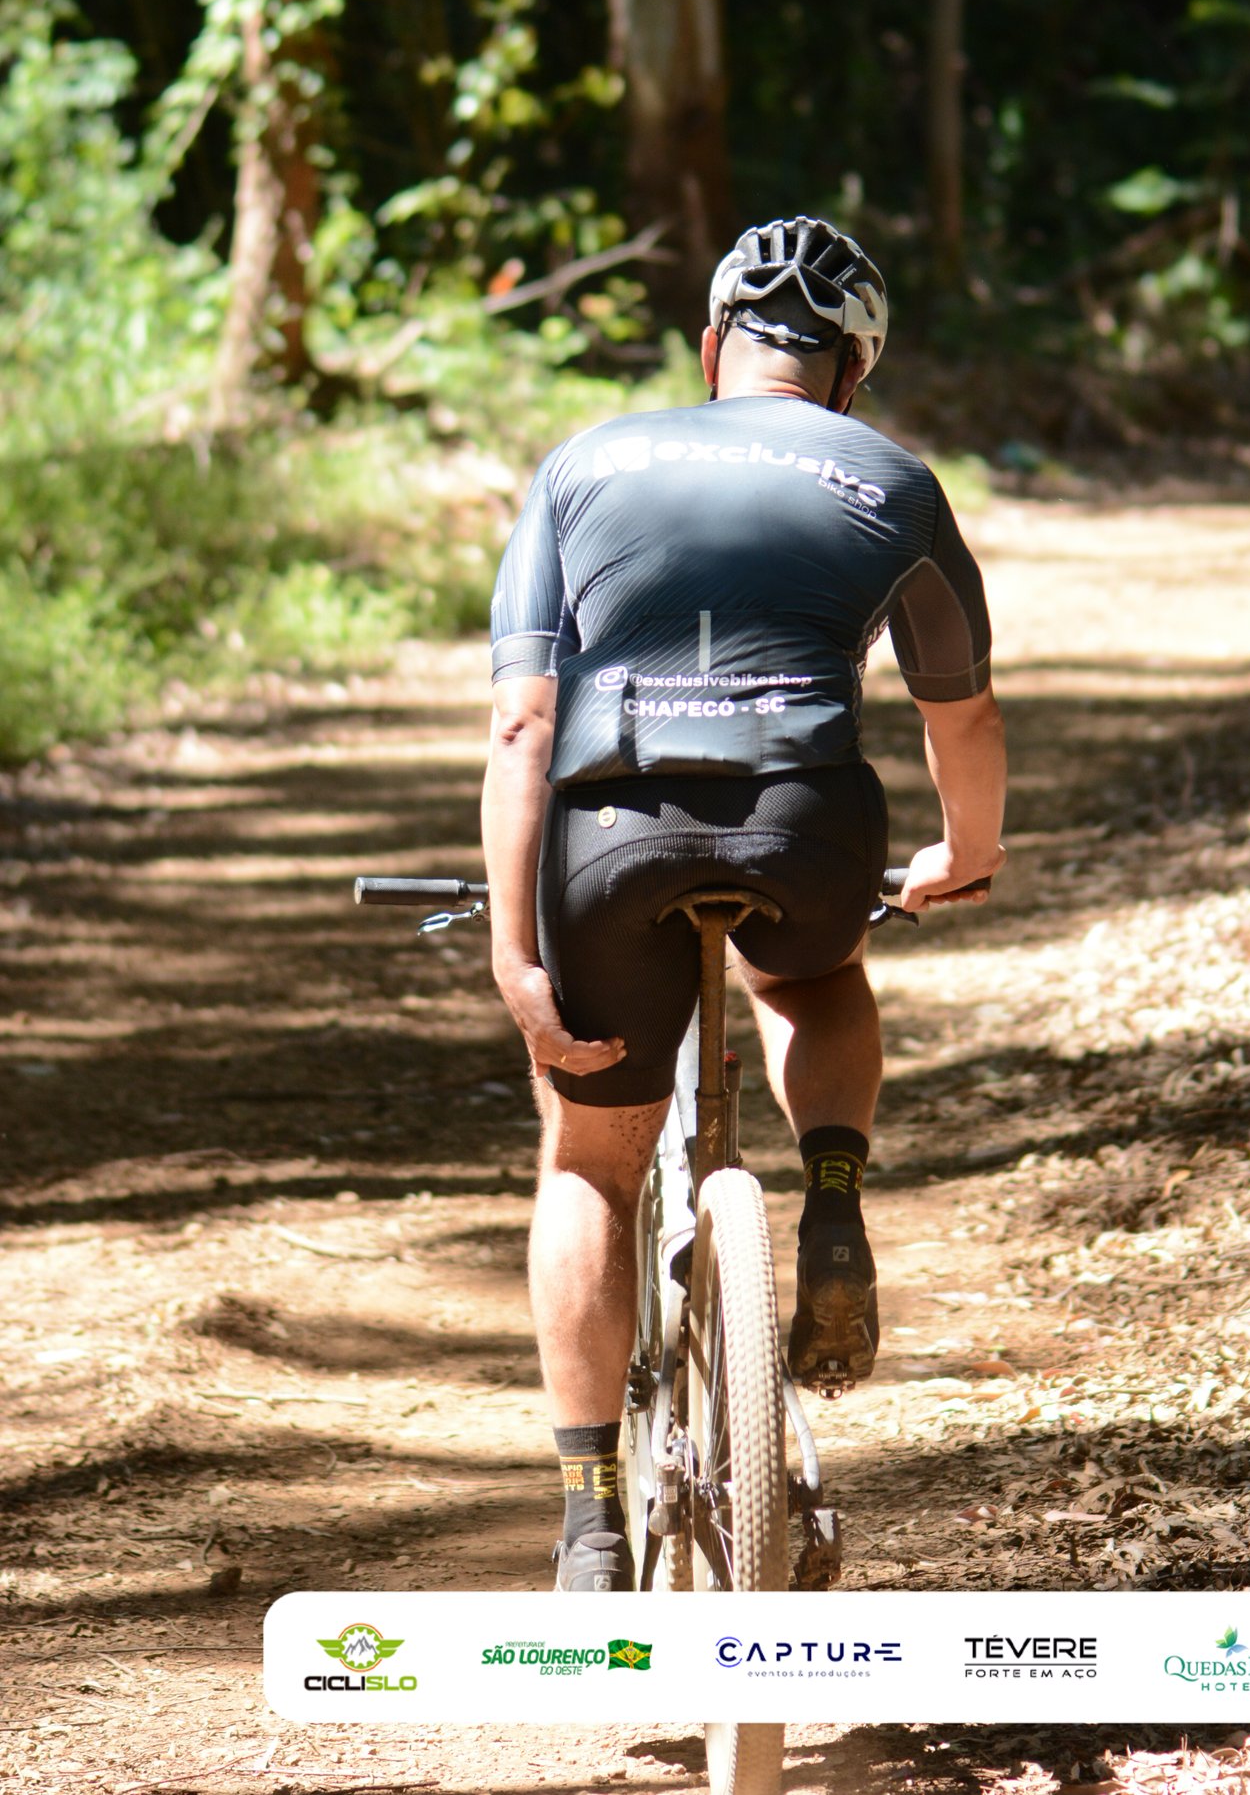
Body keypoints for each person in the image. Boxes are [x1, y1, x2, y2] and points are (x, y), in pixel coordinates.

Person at [481, 216, 1007, 1592]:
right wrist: (964, 852)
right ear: (853, 372)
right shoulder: (895, 480)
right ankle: (829, 1191)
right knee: (813, 976)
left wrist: (515, 954)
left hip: (610, 836)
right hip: (804, 824)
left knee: (589, 1163)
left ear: (712, 345)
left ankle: (591, 1517)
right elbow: (959, 709)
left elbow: (524, 723)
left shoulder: (583, 463)